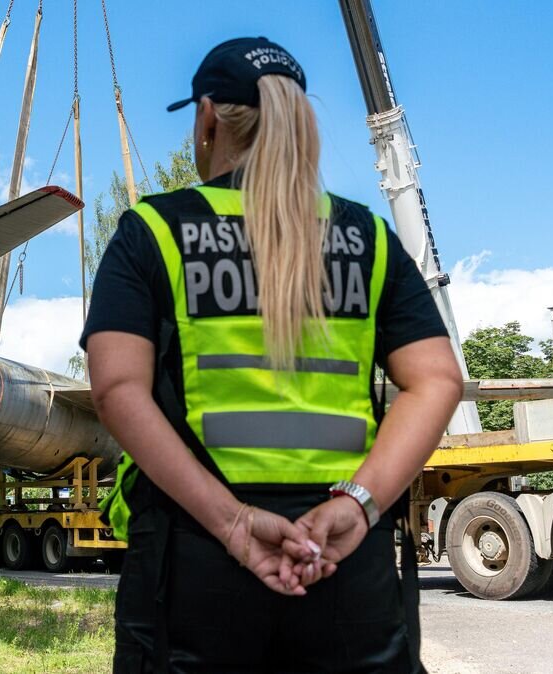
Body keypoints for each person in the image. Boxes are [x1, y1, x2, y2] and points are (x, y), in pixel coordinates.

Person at [83, 37, 463, 672]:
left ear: (207, 118)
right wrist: (358, 506)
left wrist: (233, 523)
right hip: (342, 559)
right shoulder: (368, 236)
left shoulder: (154, 230)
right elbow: (437, 382)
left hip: (195, 555)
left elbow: (117, 390)